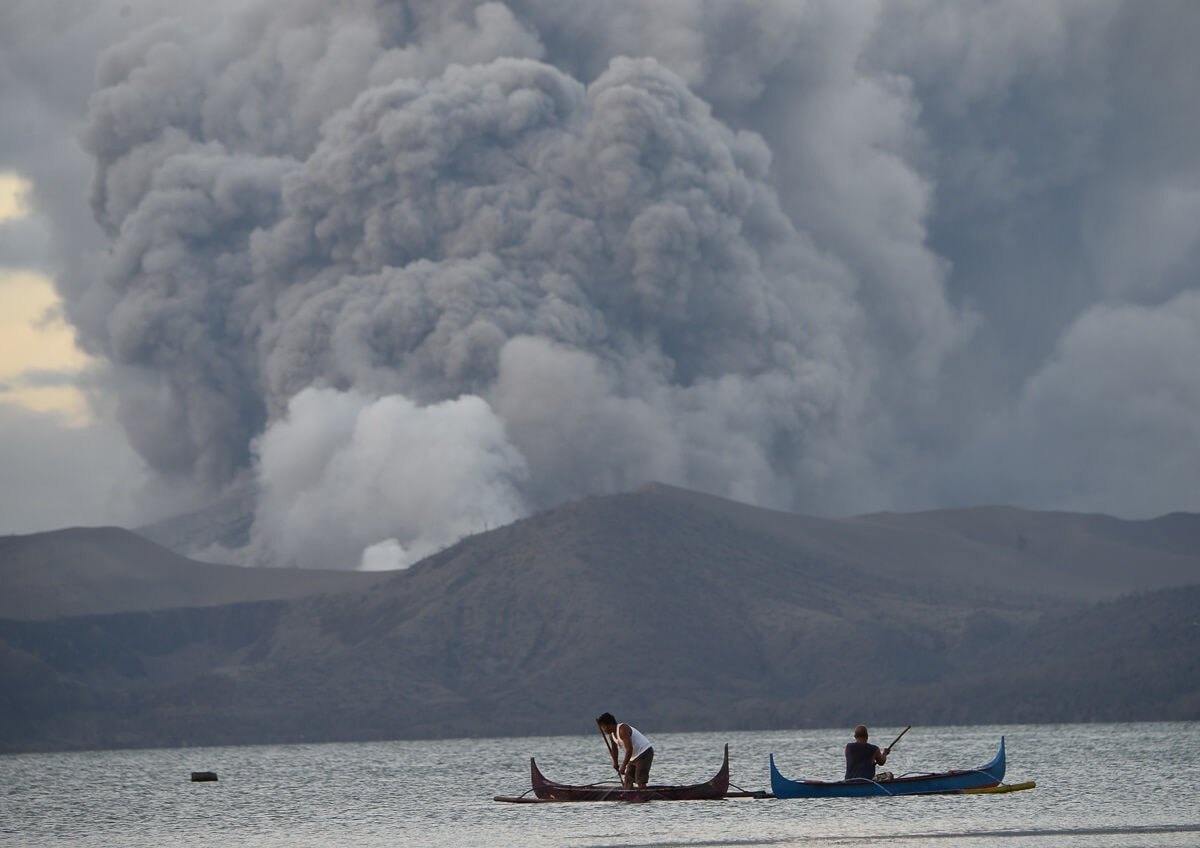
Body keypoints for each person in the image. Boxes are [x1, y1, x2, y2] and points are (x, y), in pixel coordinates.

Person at [596, 712, 654, 789]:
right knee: (628, 780)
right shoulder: (612, 736)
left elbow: (629, 749)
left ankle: (642, 795)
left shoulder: (622, 730)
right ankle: (629, 796)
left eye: (604, 727)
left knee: (640, 778)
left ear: (610, 725)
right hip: (633, 757)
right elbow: (614, 750)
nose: (604, 730)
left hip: (644, 753)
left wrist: (623, 766)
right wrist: (615, 763)